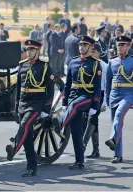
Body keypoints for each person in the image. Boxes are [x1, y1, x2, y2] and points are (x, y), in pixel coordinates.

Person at [5, 40, 55, 177]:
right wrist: (16, 106)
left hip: (36, 103)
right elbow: (19, 88)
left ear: (37, 51)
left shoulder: (44, 67)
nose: (29, 52)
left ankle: (14, 148)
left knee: (25, 125)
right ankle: (31, 167)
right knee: (27, 136)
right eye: (27, 49)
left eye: (32, 50)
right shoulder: (22, 65)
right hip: (23, 103)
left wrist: (46, 109)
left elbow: (50, 89)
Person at [53, 35, 102, 170]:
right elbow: (67, 85)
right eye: (80, 45)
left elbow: (97, 87)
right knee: (76, 132)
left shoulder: (95, 63)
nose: (81, 47)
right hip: (73, 96)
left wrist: (95, 105)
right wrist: (64, 103)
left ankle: (60, 123)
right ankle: (79, 161)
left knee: (74, 106)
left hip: (87, 96)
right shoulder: (73, 62)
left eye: (85, 45)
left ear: (91, 47)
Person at [105, 36, 133, 164]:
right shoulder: (112, 61)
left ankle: (112, 139)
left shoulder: (132, 61)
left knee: (118, 115)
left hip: (128, 94)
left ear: (128, 47)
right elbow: (108, 81)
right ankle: (118, 155)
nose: (120, 47)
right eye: (119, 44)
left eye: (123, 44)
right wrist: (107, 96)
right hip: (114, 95)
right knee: (117, 123)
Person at [84, 42, 107, 158]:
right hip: (90, 94)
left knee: (92, 118)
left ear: (99, 53)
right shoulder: (89, 64)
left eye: (94, 51)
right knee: (94, 122)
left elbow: (107, 85)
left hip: (100, 95)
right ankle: (96, 150)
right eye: (91, 51)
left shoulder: (104, 66)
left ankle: (83, 144)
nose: (92, 53)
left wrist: (105, 102)